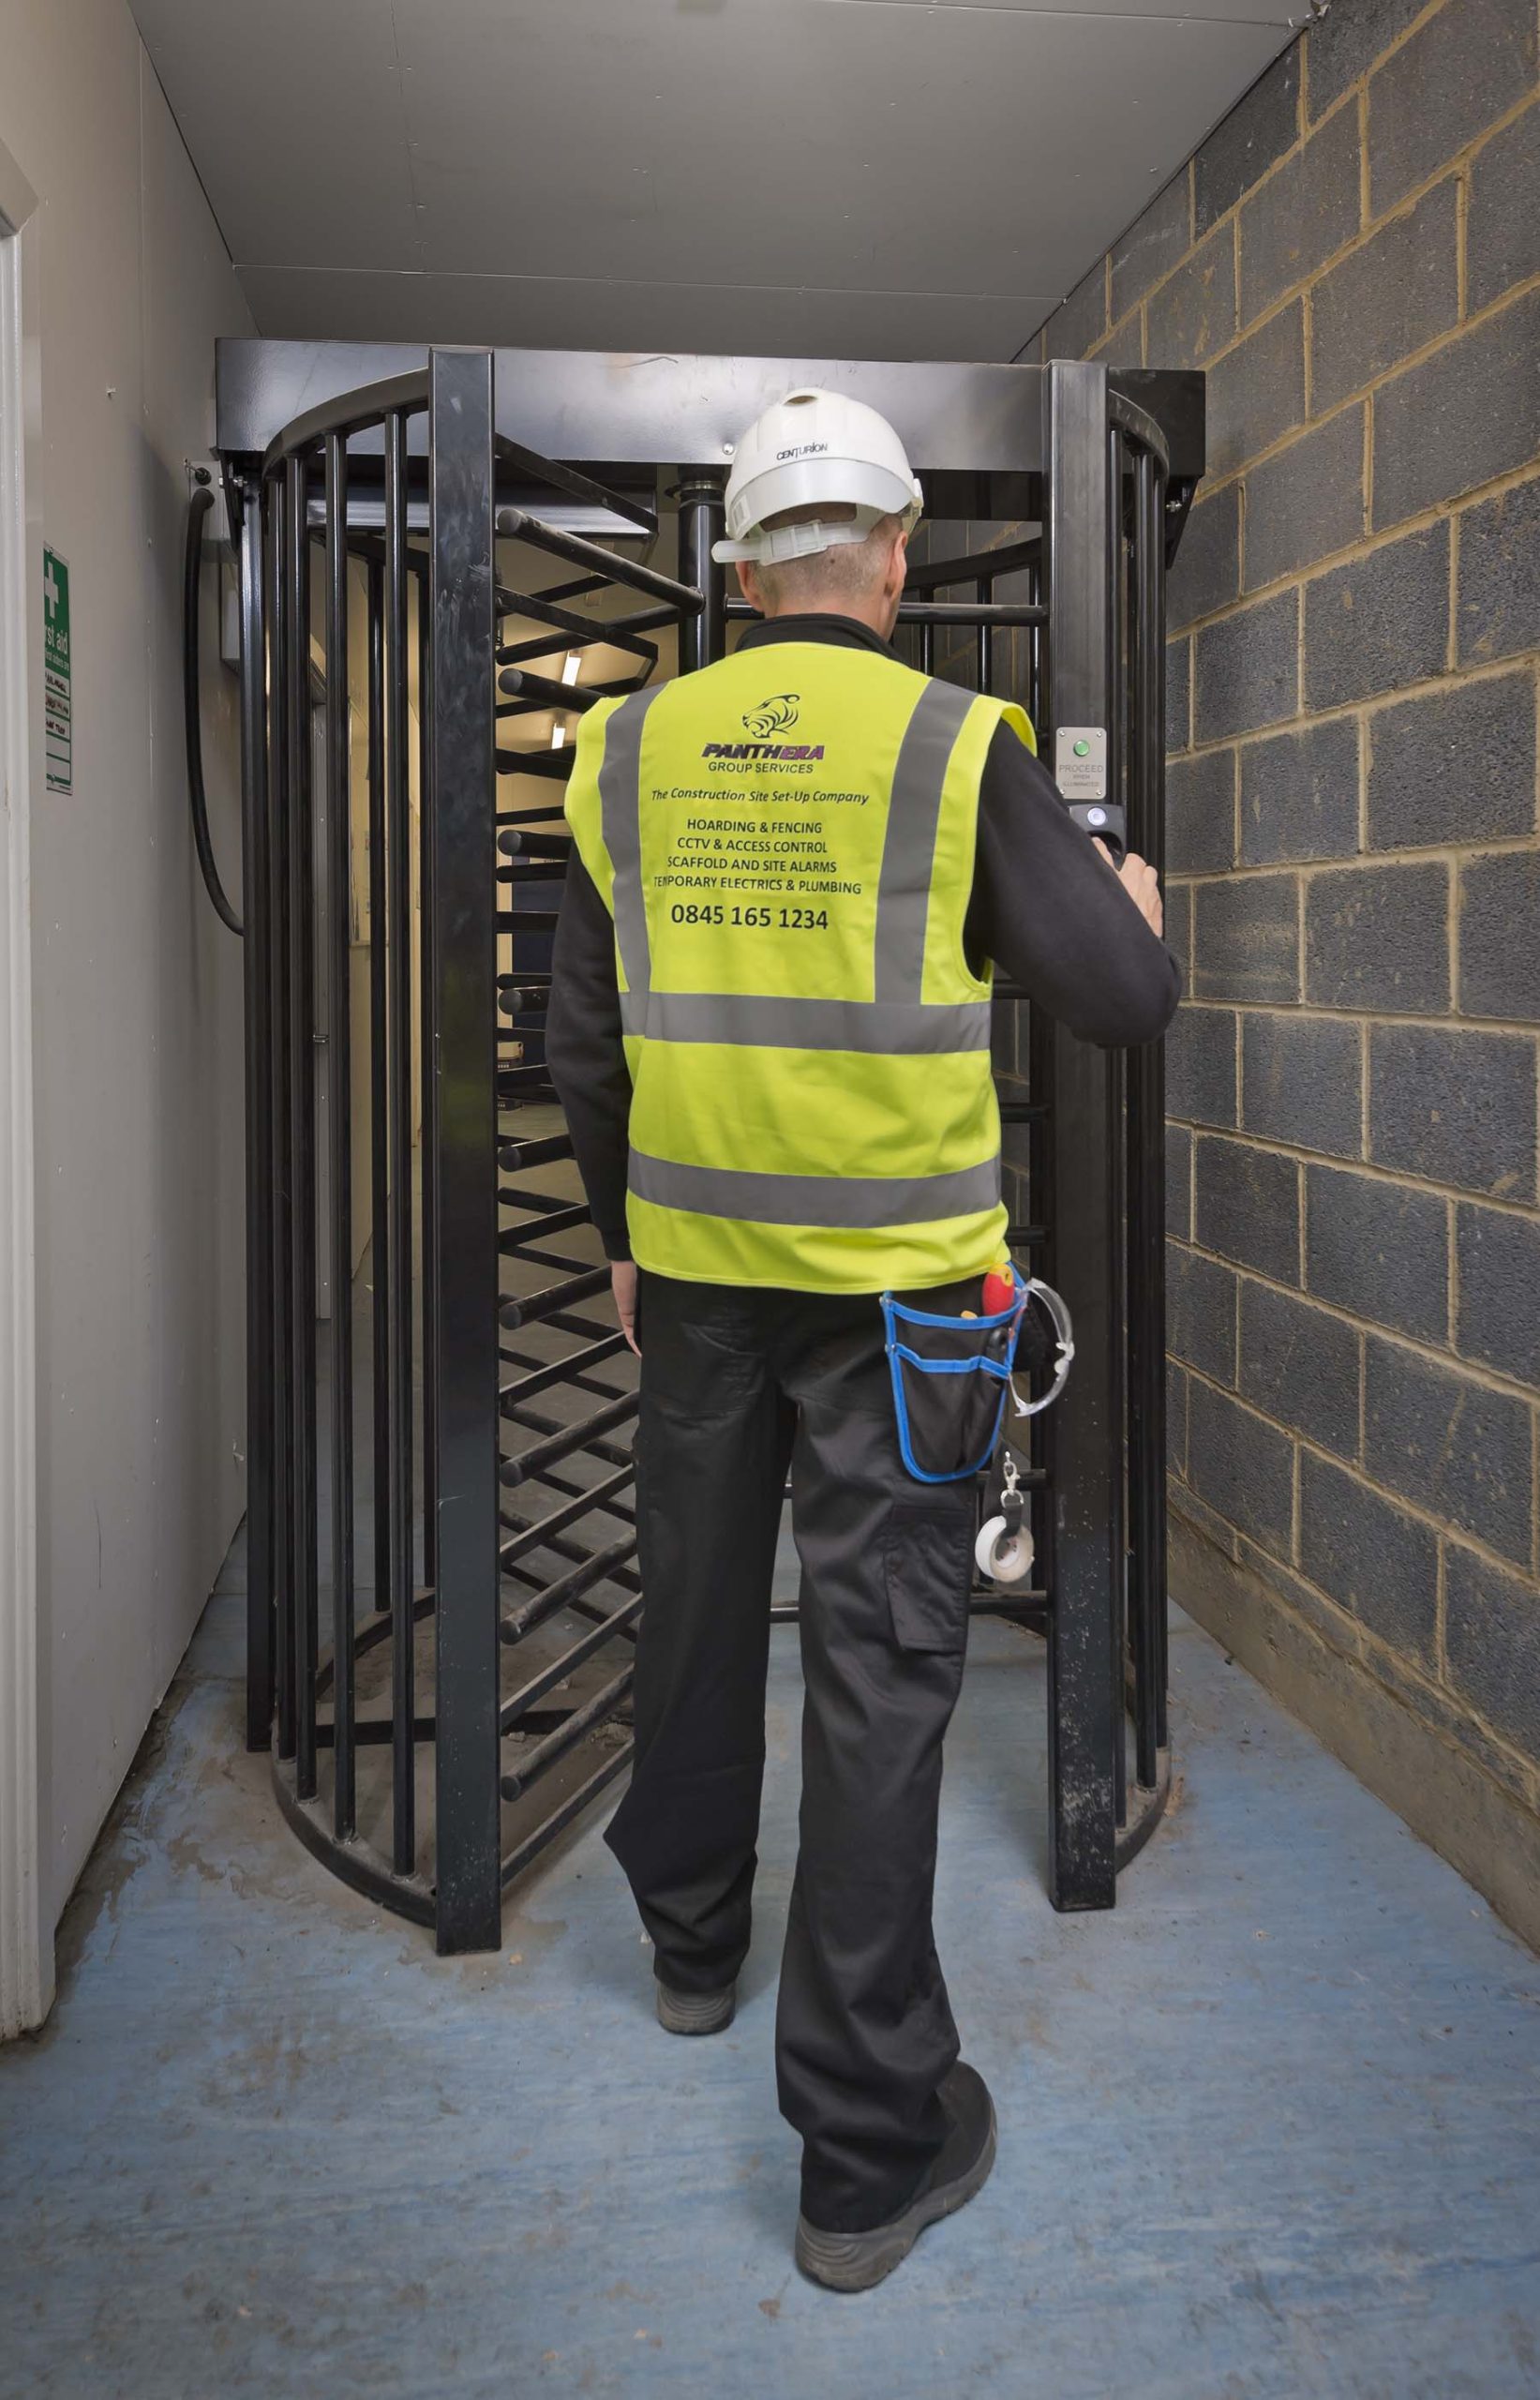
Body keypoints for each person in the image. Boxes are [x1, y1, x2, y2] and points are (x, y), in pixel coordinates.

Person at [546, 388, 1179, 2291]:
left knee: (690, 1606)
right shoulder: (953, 744)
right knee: (882, 1674)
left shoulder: (625, 748)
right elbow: (1122, 997)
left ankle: (689, 1943)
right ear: (896, 557)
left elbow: (581, 1041)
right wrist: (1136, 909)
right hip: (902, 1302)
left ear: (742, 570)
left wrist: (627, 1239)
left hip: (700, 1278)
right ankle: (864, 2151)